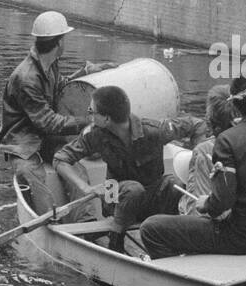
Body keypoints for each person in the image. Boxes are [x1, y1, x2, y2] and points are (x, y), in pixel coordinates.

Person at [140, 76, 246, 260]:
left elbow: (221, 203)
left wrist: (205, 203)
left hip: (240, 239)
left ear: (238, 107)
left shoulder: (228, 140)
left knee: (150, 228)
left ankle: (186, 269)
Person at [54, 85, 208, 253]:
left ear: (106, 119)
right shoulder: (95, 134)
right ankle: (116, 239)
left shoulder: (154, 131)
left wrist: (196, 161)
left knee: (175, 184)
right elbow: (60, 159)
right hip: (115, 198)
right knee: (133, 189)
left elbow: (197, 124)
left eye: (91, 111)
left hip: (151, 196)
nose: (89, 115)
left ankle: (173, 239)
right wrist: (85, 188)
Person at [0, 11, 89, 214]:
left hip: (47, 139)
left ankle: (86, 224)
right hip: (23, 143)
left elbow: (58, 88)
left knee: (77, 170)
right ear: (59, 43)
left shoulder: (50, 65)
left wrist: (84, 73)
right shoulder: (27, 78)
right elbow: (48, 122)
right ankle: (48, 223)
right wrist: (86, 121)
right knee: (34, 178)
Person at [177, 85, 236, 216]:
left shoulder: (205, 151)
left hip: (226, 229)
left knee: (151, 226)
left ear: (210, 122)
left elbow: (197, 212)